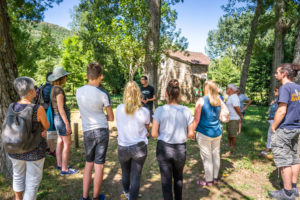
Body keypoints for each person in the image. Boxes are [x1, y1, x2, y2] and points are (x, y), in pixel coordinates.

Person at [7, 77, 49, 200]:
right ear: (31, 91)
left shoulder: (11, 106)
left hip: (14, 147)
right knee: (32, 181)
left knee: (18, 175)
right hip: (34, 150)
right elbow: (46, 125)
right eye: (34, 88)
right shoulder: (37, 108)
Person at [76, 62, 114, 200]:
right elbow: (111, 117)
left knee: (88, 164)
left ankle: (84, 196)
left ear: (87, 76)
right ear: (101, 77)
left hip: (87, 130)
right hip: (101, 131)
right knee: (99, 166)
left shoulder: (78, 91)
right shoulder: (103, 93)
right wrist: (100, 115)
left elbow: (83, 112)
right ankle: (96, 197)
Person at [152, 79, 194, 200]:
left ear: (166, 94)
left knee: (166, 181)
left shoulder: (160, 110)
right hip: (180, 148)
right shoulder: (186, 110)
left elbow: (154, 134)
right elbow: (191, 133)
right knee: (178, 178)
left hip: (164, 148)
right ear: (179, 94)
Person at [269, 63, 300, 200]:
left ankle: (287, 193)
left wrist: (274, 126)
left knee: (284, 160)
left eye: (277, 72)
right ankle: (294, 187)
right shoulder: (298, 88)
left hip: (285, 128)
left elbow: (281, 110)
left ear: (284, 74)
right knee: (295, 158)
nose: (276, 75)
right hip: (296, 128)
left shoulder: (284, 88)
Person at [116, 81, 150, 200]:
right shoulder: (145, 112)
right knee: (136, 176)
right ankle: (132, 197)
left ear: (125, 94)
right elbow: (147, 128)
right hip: (139, 147)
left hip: (123, 147)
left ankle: (126, 193)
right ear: (138, 95)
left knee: (125, 172)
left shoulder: (119, 109)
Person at [48, 67, 78, 176]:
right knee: (67, 143)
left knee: (60, 141)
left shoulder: (53, 88)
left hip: (57, 118)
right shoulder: (59, 90)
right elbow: (61, 108)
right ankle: (65, 169)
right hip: (61, 119)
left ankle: (60, 164)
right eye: (65, 76)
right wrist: (67, 123)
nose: (66, 77)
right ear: (62, 78)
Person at [193, 80, 224, 186]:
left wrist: (191, 131)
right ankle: (214, 178)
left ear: (206, 88)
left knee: (207, 157)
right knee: (216, 155)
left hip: (204, 132)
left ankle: (208, 181)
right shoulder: (219, 100)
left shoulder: (201, 100)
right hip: (217, 132)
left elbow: (196, 119)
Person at [261, 86, 279, 157]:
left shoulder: (280, 100)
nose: (274, 92)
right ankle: (270, 149)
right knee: (271, 135)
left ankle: (268, 149)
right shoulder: (276, 100)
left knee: (271, 135)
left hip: (275, 120)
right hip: (271, 120)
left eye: (276, 90)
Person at [43, 72, 57, 157]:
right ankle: (52, 150)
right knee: (50, 131)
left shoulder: (42, 87)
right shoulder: (52, 88)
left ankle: (47, 147)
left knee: (45, 130)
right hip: (49, 111)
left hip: (41, 110)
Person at [225, 84, 242, 150]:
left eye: (227, 88)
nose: (226, 89)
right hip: (229, 117)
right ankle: (229, 143)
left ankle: (233, 146)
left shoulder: (234, 97)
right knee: (229, 132)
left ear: (231, 89)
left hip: (234, 118)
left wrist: (240, 115)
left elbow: (236, 107)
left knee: (233, 133)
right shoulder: (230, 96)